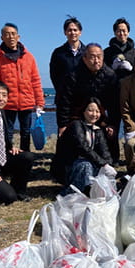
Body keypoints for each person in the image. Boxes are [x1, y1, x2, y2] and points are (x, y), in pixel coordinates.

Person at [54, 43, 120, 172]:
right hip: (77, 116)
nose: (96, 60)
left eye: (99, 57)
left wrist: (112, 124)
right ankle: (64, 170)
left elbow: (115, 105)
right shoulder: (73, 75)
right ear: (84, 58)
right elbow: (64, 102)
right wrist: (63, 124)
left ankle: (110, 165)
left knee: (108, 134)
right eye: (92, 57)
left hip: (99, 116)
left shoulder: (110, 75)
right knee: (72, 138)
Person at [0, 22, 44, 152]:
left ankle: (24, 160)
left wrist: (40, 102)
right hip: (6, 103)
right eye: (7, 34)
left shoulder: (28, 57)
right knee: (6, 133)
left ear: (18, 36)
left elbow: (35, 80)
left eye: (13, 34)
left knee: (25, 133)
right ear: (2, 37)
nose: (11, 37)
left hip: (26, 102)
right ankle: (7, 159)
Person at [56, 97, 115, 195]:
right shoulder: (76, 125)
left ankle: (96, 191)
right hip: (70, 165)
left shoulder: (98, 129)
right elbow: (83, 147)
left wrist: (108, 164)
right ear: (83, 111)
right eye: (90, 110)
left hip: (90, 163)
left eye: (97, 111)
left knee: (101, 171)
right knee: (85, 165)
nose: (94, 114)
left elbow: (104, 150)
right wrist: (103, 164)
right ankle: (84, 191)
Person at [49, 16, 86, 115]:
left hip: (84, 99)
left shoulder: (87, 52)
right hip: (64, 100)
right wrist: (62, 91)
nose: (72, 33)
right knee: (64, 128)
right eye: (69, 30)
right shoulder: (58, 53)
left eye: (75, 30)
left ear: (80, 32)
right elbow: (54, 75)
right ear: (65, 32)